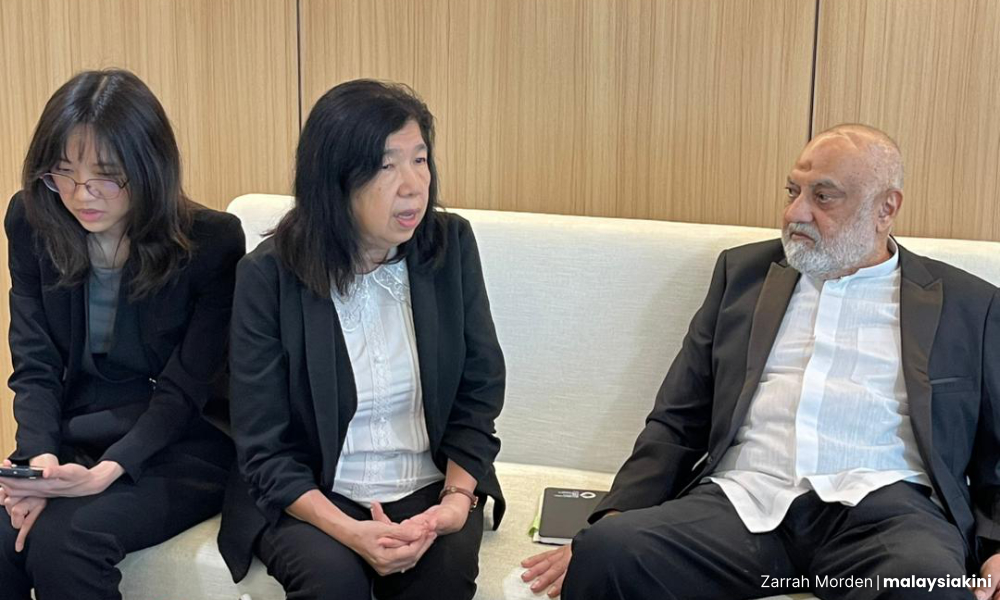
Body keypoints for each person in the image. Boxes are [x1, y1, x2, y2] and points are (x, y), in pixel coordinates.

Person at [521, 124, 1000, 600]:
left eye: (823, 197)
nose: (795, 213)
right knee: (608, 552)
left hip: (887, 516)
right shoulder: (742, 277)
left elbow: (996, 455)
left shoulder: (968, 305)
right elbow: (678, 419)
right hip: (743, 502)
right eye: (793, 191)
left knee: (927, 589)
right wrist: (613, 516)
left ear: (886, 208)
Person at [218, 79, 506, 600]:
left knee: (443, 579)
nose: (413, 185)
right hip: (313, 492)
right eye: (386, 166)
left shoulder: (450, 246)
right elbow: (264, 445)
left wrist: (455, 501)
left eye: (420, 160)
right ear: (335, 180)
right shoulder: (268, 277)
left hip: (429, 485)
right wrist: (351, 533)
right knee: (332, 582)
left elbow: (479, 390)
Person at [0, 69, 245, 599]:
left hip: (180, 443)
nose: (80, 194)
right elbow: (35, 361)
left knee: (66, 542)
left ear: (149, 167)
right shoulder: (32, 220)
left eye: (106, 176)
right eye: (63, 173)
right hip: (77, 434)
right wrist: (38, 462)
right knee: (4, 534)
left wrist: (107, 471)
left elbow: (185, 388)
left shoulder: (211, 242)